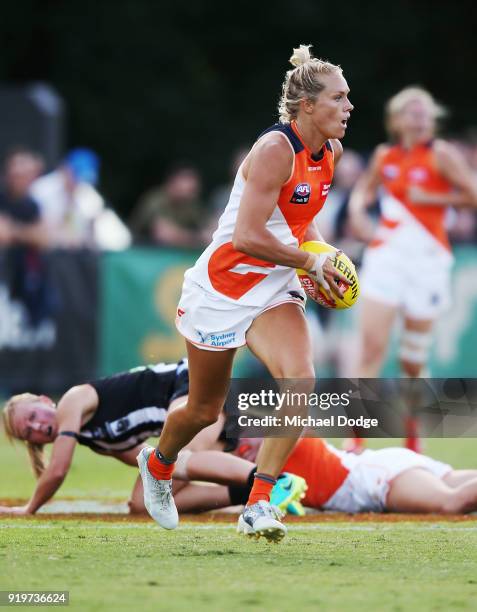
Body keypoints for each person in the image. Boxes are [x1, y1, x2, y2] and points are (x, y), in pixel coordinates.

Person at [139, 44, 353, 542]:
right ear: (307, 106)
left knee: (300, 380)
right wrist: (308, 261)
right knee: (203, 410)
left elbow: (301, 221)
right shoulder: (275, 149)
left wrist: (315, 261)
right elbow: (247, 238)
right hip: (224, 286)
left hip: (274, 286)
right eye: (339, 98)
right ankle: (160, 462)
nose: (348, 107)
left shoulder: (332, 153)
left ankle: (259, 504)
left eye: (347, 98)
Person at [0, 360, 306, 516]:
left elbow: (57, 469)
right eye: (29, 432)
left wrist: (29, 508)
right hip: (185, 401)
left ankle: (269, 484)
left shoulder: (72, 400)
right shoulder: (93, 437)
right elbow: (150, 461)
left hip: (186, 383)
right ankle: (246, 491)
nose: (38, 427)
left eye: (33, 416)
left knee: (181, 458)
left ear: (43, 400)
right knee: (143, 502)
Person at [348, 87, 477, 453]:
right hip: (387, 256)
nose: (419, 118)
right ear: (397, 119)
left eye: (424, 112)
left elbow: (473, 195)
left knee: (412, 359)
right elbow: (364, 190)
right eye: (411, 112)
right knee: (370, 348)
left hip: (428, 261)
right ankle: (357, 441)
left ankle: (412, 438)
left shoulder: (441, 155)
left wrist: (434, 198)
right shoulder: (384, 155)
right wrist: (357, 210)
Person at [129, 164, 207, 247]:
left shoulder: (190, 204)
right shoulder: (156, 200)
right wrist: (197, 237)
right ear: (173, 182)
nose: (194, 190)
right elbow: (164, 234)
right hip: (141, 250)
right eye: (190, 188)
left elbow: (210, 231)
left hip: (170, 253)